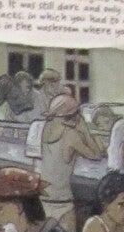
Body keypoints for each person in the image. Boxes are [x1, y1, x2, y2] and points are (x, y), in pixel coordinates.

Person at [37, 89, 107, 223]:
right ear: (71, 116)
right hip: (62, 201)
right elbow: (96, 155)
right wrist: (85, 130)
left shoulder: (45, 129)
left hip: (44, 198)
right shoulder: (71, 135)